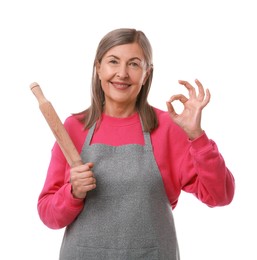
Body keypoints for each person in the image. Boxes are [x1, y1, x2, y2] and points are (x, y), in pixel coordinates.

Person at [37, 28, 235, 260]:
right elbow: (48, 214)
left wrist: (197, 137)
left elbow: (220, 195)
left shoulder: (169, 128)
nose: (122, 73)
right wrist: (73, 192)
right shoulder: (72, 128)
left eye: (133, 64)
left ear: (146, 74)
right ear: (98, 67)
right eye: (113, 62)